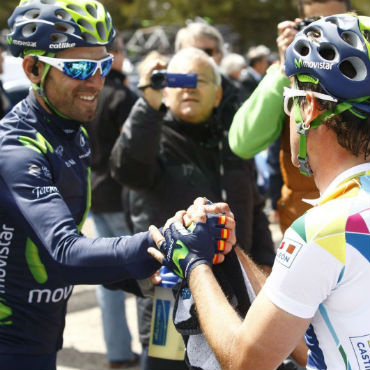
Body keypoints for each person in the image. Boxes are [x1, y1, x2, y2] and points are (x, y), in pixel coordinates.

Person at [0, 1, 234, 369]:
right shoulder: (18, 149)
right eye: (78, 67)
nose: (96, 81)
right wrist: (162, 240)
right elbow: (65, 252)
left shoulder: (70, 134)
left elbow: (52, 257)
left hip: (40, 335)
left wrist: (145, 274)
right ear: (33, 68)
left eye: (102, 65)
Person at [150, 13, 370, 369]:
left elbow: (245, 360)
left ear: (308, 108)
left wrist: (194, 264)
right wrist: (233, 250)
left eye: (290, 102)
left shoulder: (321, 231)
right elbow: (304, 331)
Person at [110, 47, 276, 369]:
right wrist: (146, 104)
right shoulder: (152, 137)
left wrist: (266, 267)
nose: (189, 87)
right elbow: (126, 169)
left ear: (217, 95)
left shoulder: (233, 143)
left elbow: (254, 209)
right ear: (165, 91)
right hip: (168, 305)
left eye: (198, 80)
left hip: (235, 301)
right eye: (179, 79)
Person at [228, 0, 351, 233]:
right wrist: (287, 69)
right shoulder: (287, 74)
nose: (327, 35)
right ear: (299, 26)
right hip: (309, 228)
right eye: (316, 25)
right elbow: (242, 143)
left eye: (336, 23)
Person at [84, 35, 139, 369]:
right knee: (145, 276)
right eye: (117, 52)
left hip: (94, 191)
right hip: (119, 194)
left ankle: (118, 351)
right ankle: (152, 351)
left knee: (109, 278)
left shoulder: (86, 92)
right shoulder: (121, 96)